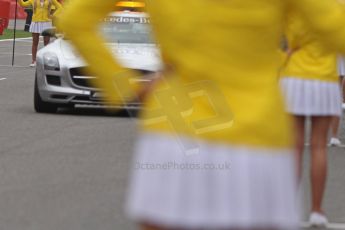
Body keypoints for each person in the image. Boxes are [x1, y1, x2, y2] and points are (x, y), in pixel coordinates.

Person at [58, 1, 345, 230]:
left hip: (175, 125)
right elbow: (335, 29)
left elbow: (74, 20)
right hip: (256, 132)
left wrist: (126, 87)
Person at [280, 12, 343, 227]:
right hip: (324, 78)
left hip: (295, 74)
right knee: (318, 146)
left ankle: (288, 207)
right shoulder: (337, 5)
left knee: (295, 146)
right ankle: (317, 209)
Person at [18, 0, 62, 67]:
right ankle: (34, 61)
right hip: (35, 22)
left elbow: (60, 7)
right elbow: (23, 4)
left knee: (46, 43)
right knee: (35, 42)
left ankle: (46, 61)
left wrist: (53, 16)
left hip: (46, 22)